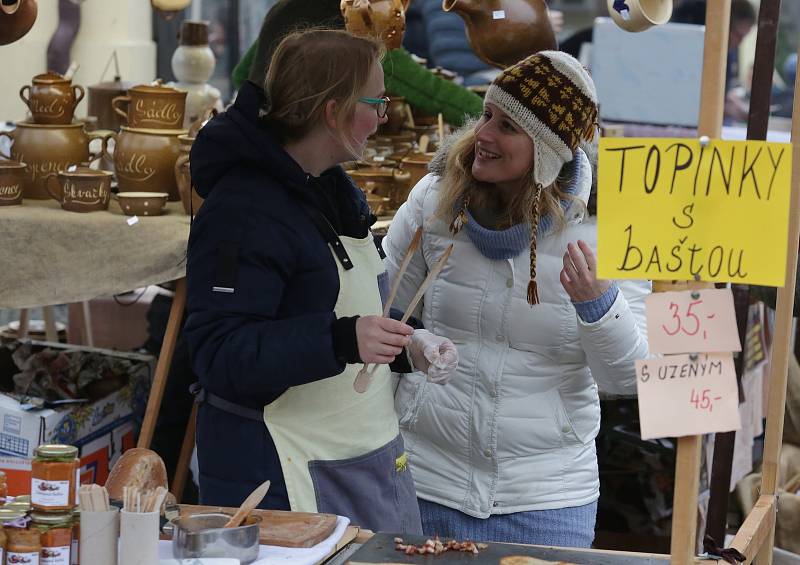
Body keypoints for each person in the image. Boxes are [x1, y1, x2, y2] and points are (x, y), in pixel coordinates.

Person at [184, 29, 459, 533]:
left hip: (362, 459)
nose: (384, 116)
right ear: (332, 111)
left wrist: (406, 343)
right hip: (281, 473)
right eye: (375, 102)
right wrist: (343, 339)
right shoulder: (244, 211)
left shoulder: (330, 189)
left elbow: (339, 311)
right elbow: (220, 353)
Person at [382, 51, 650, 546]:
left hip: (547, 498)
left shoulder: (608, 226)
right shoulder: (434, 198)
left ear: (549, 150)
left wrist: (598, 305)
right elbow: (383, 307)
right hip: (425, 482)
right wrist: (413, 342)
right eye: (486, 114)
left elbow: (628, 378)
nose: (483, 134)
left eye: (507, 125)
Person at [230, 0, 483, 126]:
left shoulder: (286, 6)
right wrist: (490, 116)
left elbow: (241, 76)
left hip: (249, 126)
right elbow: (430, 92)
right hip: (293, 146)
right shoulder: (359, 17)